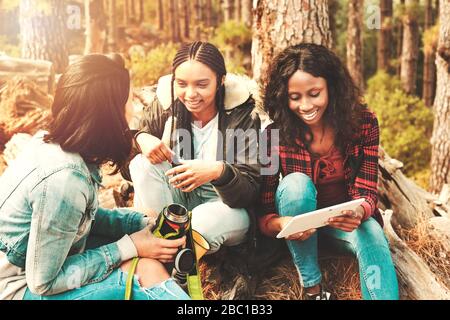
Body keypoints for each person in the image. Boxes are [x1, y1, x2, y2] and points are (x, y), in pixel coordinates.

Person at [0, 54, 190, 300]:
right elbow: (43, 283)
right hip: (17, 288)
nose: (133, 110)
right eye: (129, 100)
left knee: (138, 247)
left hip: (31, 267)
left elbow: (79, 219)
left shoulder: (53, 144)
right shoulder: (64, 179)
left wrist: (138, 224)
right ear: (108, 114)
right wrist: (131, 246)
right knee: (145, 273)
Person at [258, 43, 399, 300]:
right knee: (296, 185)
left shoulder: (364, 123)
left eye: (314, 93)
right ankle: (313, 290)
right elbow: (264, 211)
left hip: (343, 223)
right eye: (295, 97)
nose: (306, 105)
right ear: (283, 97)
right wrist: (282, 223)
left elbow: (367, 191)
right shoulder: (272, 136)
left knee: (373, 236)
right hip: (299, 230)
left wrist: (359, 211)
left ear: (331, 88)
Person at [129, 41, 260, 256]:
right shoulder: (167, 102)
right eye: (181, 83)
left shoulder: (243, 113)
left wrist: (219, 171)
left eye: (201, 84)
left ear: (221, 81)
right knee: (141, 164)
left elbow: (250, 192)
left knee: (198, 225)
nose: (190, 94)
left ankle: (172, 251)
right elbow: (128, 168)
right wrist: (140, 139)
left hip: (225, 205)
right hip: (179, 199)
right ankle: (165, 246)